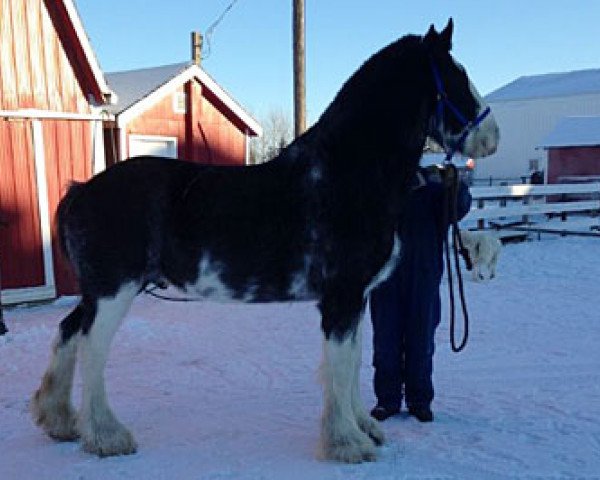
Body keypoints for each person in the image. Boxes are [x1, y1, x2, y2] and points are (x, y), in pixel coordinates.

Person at [369, 164, 472, 422]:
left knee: (421, 339)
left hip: (423, 275)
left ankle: (419, 399)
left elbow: (458, 209)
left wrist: (456, 186)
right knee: (385, 340)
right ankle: (387, 399)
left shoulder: (434, 189)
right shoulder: (381, 188)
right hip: (385, 276)